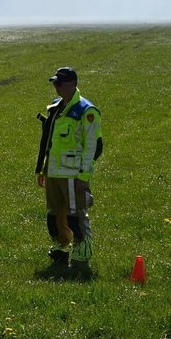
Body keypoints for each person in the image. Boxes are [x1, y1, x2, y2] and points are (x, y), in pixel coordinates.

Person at [35, 67, 103, 278]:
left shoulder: (86, 111)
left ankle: (82, 254)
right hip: (53, 173)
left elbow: (93, 146)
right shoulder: (55, 107)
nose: (57, 87)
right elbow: (49, 143)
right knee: (54, 215)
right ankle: (61, 249)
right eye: (55, 83)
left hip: (73, 175)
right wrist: (43, 169)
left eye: (60, 83)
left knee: (76, 216)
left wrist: (84, 176)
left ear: (73, 84)